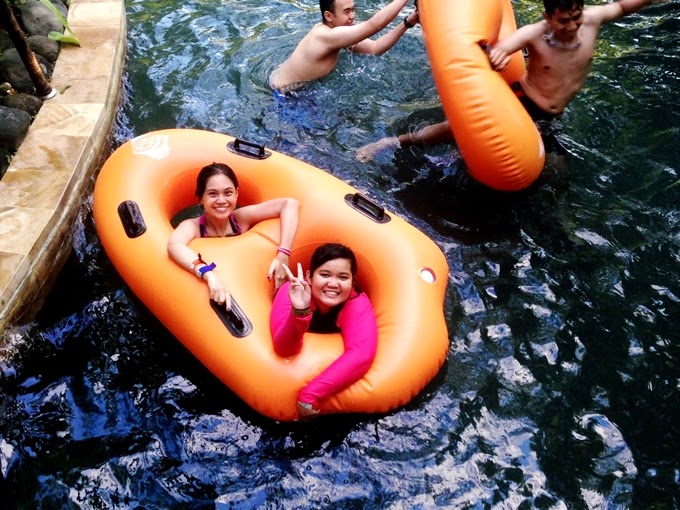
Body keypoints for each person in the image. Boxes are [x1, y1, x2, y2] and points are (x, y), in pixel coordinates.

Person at [356, 0, 660, 163]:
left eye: (576, 17)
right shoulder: (536, 34)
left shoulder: (592, 21)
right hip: (524, 103)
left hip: (552, 116)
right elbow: (504, 47)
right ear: (548, 17)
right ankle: (389, 143)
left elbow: (622, 7)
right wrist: (497, 55)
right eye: (563, 20)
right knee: (453, 130)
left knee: (556, 176)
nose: (571, 26)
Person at [167, 162, 299, 309]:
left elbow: (289, 204)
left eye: (228, 193)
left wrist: (283, 253)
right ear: (201, 199)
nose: (221, 200)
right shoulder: (193, 226)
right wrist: (209, 274)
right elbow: (174, 245)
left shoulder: (241, 219)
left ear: (236, 194)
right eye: (212, 194)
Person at [270, 243, 378, 418]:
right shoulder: (292, 293)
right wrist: (299, 312)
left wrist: (310, 396)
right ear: (309, 277)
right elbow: (284, 348)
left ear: (352, 282)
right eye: (325, 274)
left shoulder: (356, 303)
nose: (333, 284)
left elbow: (361, 354)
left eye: (343, 277)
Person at [269, 0, 419, 93]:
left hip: (295, 86)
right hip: (286, 94)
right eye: (346, 12)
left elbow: (375, 48)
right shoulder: (326, 36)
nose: (353, 16)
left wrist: (408, 22)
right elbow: (374, 25)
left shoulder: (335, 34)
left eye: (353, 9)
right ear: (328, 16)